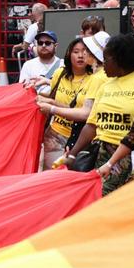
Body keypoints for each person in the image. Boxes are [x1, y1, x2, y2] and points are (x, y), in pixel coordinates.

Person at [64, 34, 134, 194]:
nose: (103, 64)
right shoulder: (105, 86)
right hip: (100, 153)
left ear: (120, 60)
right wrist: (72, 154)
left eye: (106, 59)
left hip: (129, 155)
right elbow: (92, 125)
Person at [37, 38, 95, 169]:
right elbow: (52, 95)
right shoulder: (60, 73)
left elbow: (85, 113)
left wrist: (51, 104)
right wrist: (31, 93)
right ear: (69, 54)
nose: (81, 55)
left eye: (85, 52)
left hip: (81, 139)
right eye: (76, 51)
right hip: (55, 135)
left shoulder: (95, 79)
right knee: (51, 176)